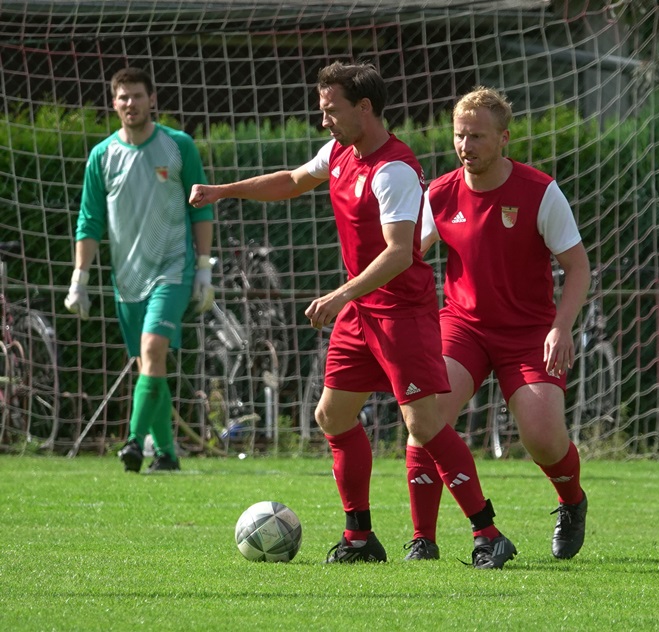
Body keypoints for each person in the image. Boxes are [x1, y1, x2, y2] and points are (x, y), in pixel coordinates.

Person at [188, 62, 516, 569]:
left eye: (331, 110)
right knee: (332, 415)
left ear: (364, 108)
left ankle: (488, 533)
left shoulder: (394, 170)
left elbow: (400, 253)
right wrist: (223, 191)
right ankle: (359, 537)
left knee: (425, 424)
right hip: (361, 312)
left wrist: (340, 295)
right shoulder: (340, 151)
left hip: (402, 313)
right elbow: (292, 180)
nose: (324, 121)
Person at [405, 87, 591, 562]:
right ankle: (423, 539)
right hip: (462, 326)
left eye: (477, 137)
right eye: (459, 136)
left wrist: (562, 326)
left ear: (504, 138)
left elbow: (578, 267)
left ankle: (572, 501)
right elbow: (406, 259)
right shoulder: (439, 194)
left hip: (529, 334)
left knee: (543, 437)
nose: (465, 146)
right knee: (425, 417)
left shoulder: (539, 191)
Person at [65, 67, 215, 473]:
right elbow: (89, 221)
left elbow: (201, 208)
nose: (130, 103)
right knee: (150, 363)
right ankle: (167, 454)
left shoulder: (178, 145)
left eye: (137, 95)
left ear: (152, 99)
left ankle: (134, 441)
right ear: (114, 103)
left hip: (173, 269)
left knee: (152, 350)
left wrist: (204, 268)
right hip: (127, 279)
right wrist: (79, 278)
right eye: (123, 97)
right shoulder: (102, 156)